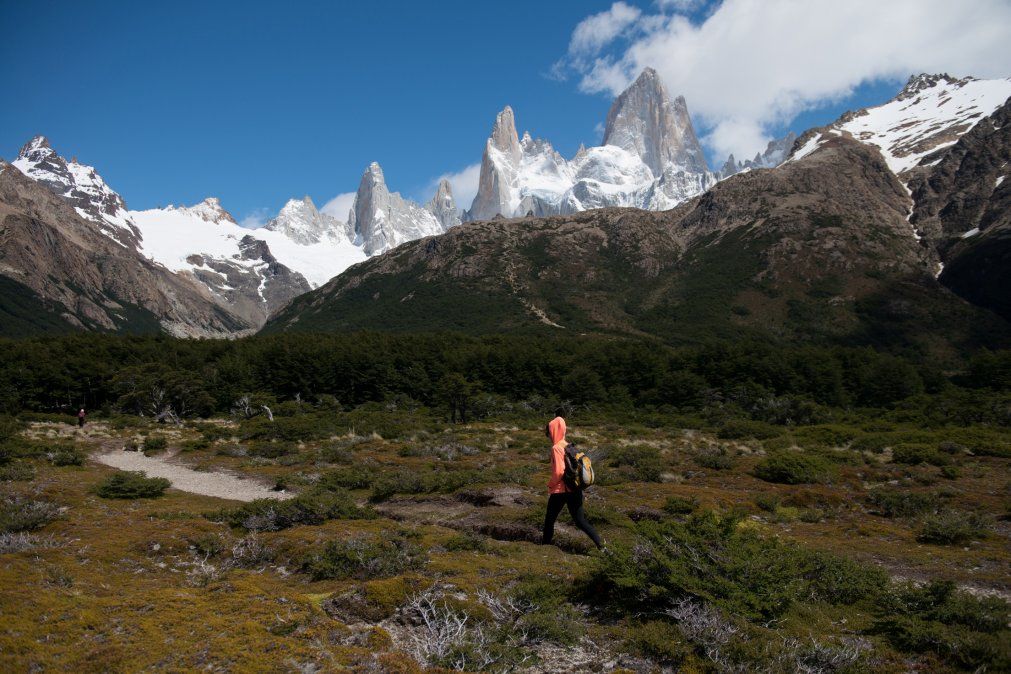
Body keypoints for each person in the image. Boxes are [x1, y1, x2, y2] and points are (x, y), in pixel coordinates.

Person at [542, 408, 603, 550]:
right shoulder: (568, 445)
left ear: (553, 430)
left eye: (550, 431)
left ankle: (544, 548)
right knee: (581, 521)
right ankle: (603, 547)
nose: (549, 435)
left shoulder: (556, 448)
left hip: (560, 491)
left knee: (549, 520)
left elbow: (558, 472)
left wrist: (550, 484)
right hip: (575, 488)